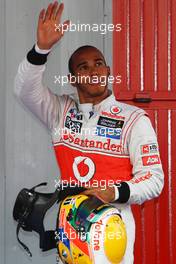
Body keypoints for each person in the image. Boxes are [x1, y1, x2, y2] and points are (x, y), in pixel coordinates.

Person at [14, 2, 164, 263]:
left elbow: (154, 180)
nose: (93, 71)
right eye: (83, 67)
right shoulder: (60, 110)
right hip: (70, 228)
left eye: (99, 64)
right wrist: (42, 49)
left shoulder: (134, 119)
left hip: (113, 230)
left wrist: (113, 192)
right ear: (73, 78)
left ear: (107, 72)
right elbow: (23, 89)